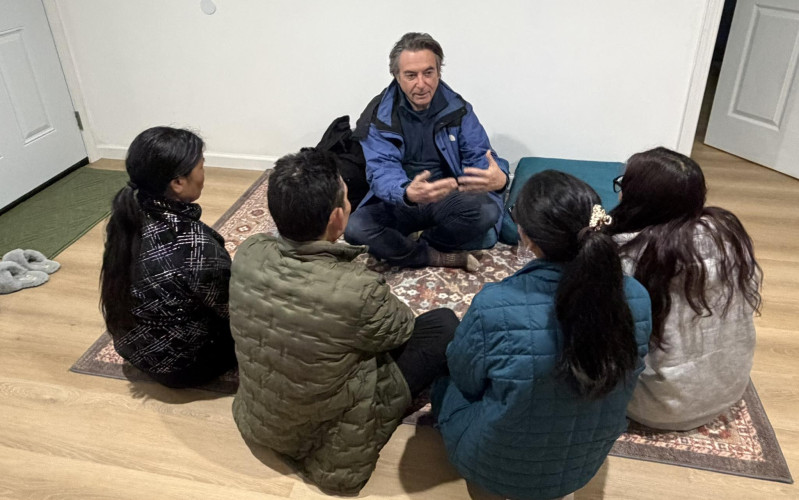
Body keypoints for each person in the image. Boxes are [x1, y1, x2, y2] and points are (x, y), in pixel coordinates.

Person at [228, 148, 458, 495]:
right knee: (442, 323)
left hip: (259, 422)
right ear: (337, 218)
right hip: (326, 439)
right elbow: (400, 329)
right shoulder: (357, 288)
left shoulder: (248, 251)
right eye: (348, 199)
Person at [432, 170, 652, 500]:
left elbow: (466, 378)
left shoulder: (495, 304)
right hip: (582, 464)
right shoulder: (636, 295)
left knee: (444, 384)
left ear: (527, 238)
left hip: (496, 465)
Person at [608, 147, 762, 431]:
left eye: (623, 184)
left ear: (638, 199)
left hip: (655, 404)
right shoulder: (728, 234)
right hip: (727, 389)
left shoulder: (629, 258)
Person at [344, 32, 509, 271]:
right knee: (355, 228)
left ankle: (421, 244)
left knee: (486, 212)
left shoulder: (459, 110)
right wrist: (407, 192)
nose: (421, 84)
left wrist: (500, 179)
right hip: (402, 200)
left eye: (428, 73)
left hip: (447, 199)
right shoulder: (377, 117)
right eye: (411, 75)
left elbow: (480, 158)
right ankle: (432, 256)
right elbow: (381, 172)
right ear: (397, 77)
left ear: (438, 72)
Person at [100, 126, 236, 388]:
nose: (204, 173)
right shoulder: (194, 245)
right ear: (177, 182)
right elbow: (231, 309)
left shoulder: (126, 216)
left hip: (130, 348)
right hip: (183, 367)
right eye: (201, 166)